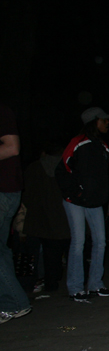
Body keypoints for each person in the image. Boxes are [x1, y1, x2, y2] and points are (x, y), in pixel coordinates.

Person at [55, 107, 109, 302]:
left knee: (100, 242)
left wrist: (102, 196)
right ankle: (75, 287)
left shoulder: (103, 146)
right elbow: (62, 170)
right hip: (75, 201)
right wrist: (76, 191)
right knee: (78, 242)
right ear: (93, 121)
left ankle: (95, 284)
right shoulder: (78, 142)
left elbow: (103, 177)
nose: (107, 123)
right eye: (103, 119)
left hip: (94, 202)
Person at [21, 142, 70, 292]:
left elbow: (27, 195)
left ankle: (48, 282)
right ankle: (75, 280)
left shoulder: (34, 168)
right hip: (64, 216)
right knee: (68, 249)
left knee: (47, 252)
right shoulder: (67, 166)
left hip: (41, 218)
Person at [0, 104, 31, 323]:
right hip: (7, 191)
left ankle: (15, 302)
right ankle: (12, 304)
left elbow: (12, 147)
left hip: (3, 191)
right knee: (1, 250)